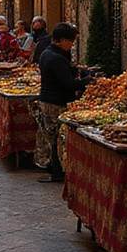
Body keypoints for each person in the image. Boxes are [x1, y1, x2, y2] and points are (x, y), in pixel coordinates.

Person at [35, 22, 81, 183]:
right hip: (56, 103)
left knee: (52, 136)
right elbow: (68, 83)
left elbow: (63, 74)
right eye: (71, 42)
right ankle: (57, 171)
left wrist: (77, 71)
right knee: (56, 138)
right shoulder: (56, 58)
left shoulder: (47, 53)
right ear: (62, 40)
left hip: (47, 100)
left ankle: (54, 168)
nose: (72, 46)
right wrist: (88, 81)